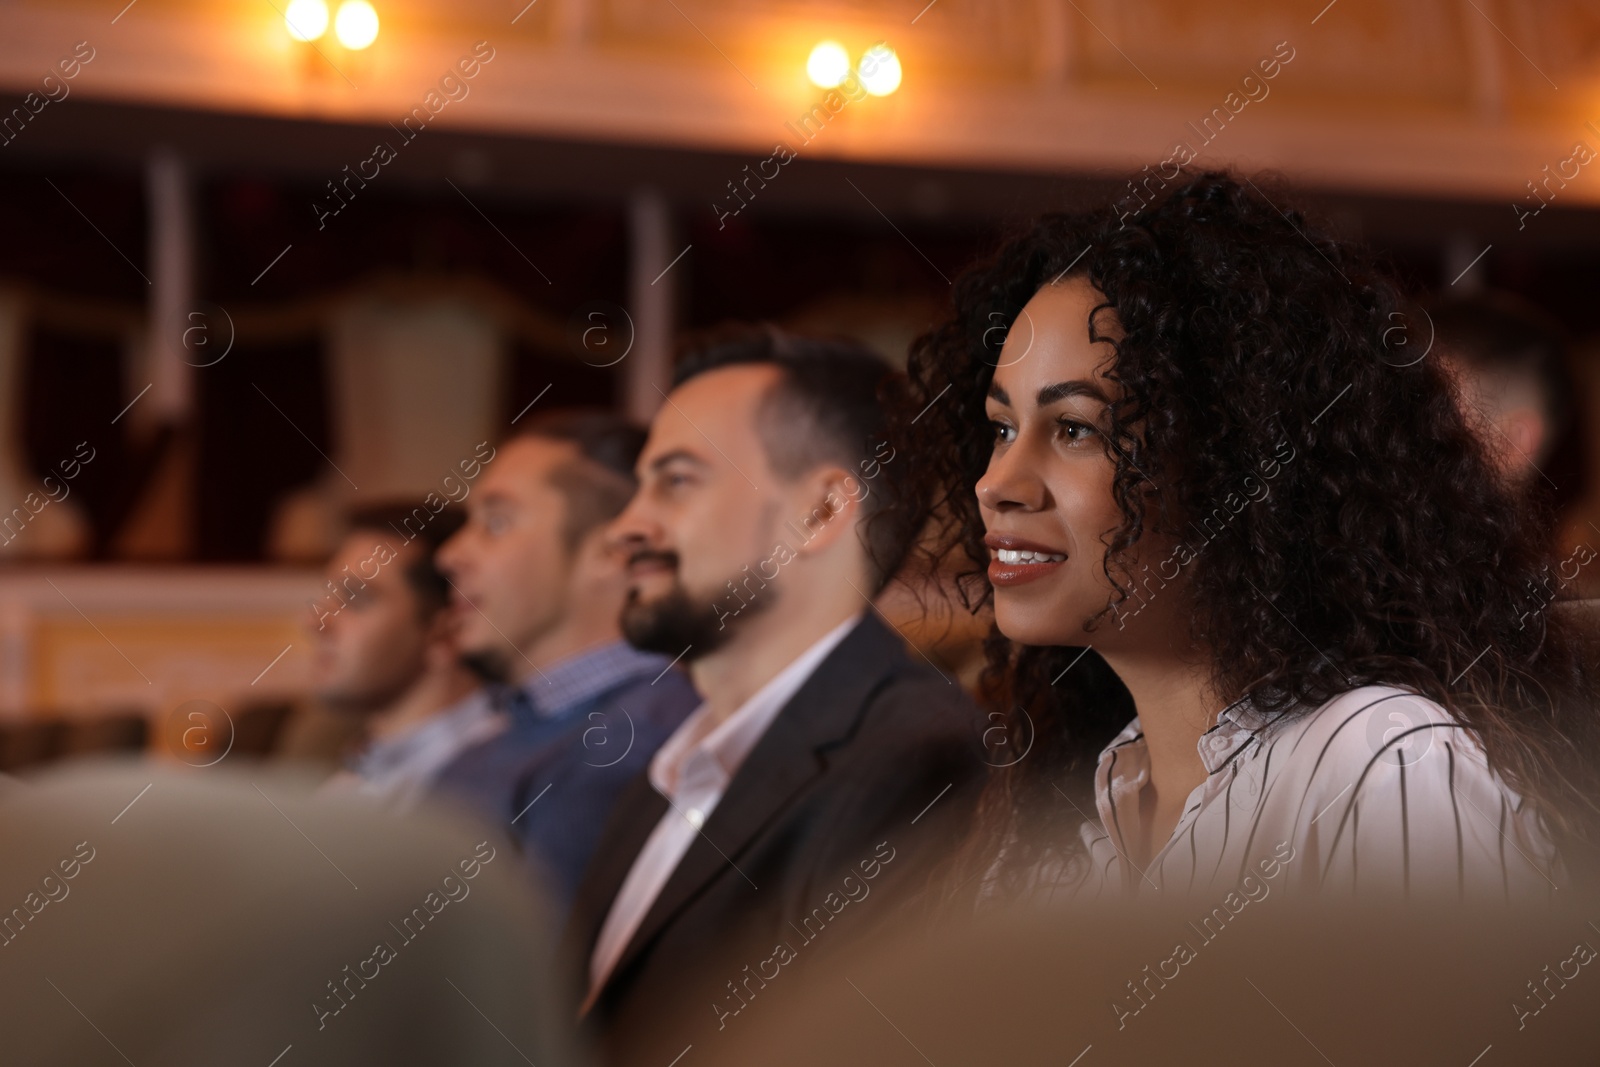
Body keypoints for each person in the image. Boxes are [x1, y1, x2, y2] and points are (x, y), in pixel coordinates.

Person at [889, 171, 1600, 905]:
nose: (996, 482)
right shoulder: (1065, 808)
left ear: (1235, 468)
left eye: (1074, 429)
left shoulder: (1377, 763)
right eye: (1003, 428)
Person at [562, 326, 986, 1064]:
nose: (627, 526)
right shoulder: (666, 773)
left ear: (820, 513)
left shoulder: (917, 760)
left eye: (676, 479)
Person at [431, 410, 699, 913]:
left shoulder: (633, 743)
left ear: (609, 551)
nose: (450, 554)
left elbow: (526, 983)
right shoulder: (512, 732)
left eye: (496, 522)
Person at [311, 501, 491, 810]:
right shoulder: (349, 780)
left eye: (356, 600)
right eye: (328, 597)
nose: (317, 623)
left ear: (446, 629)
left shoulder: (481, 785)